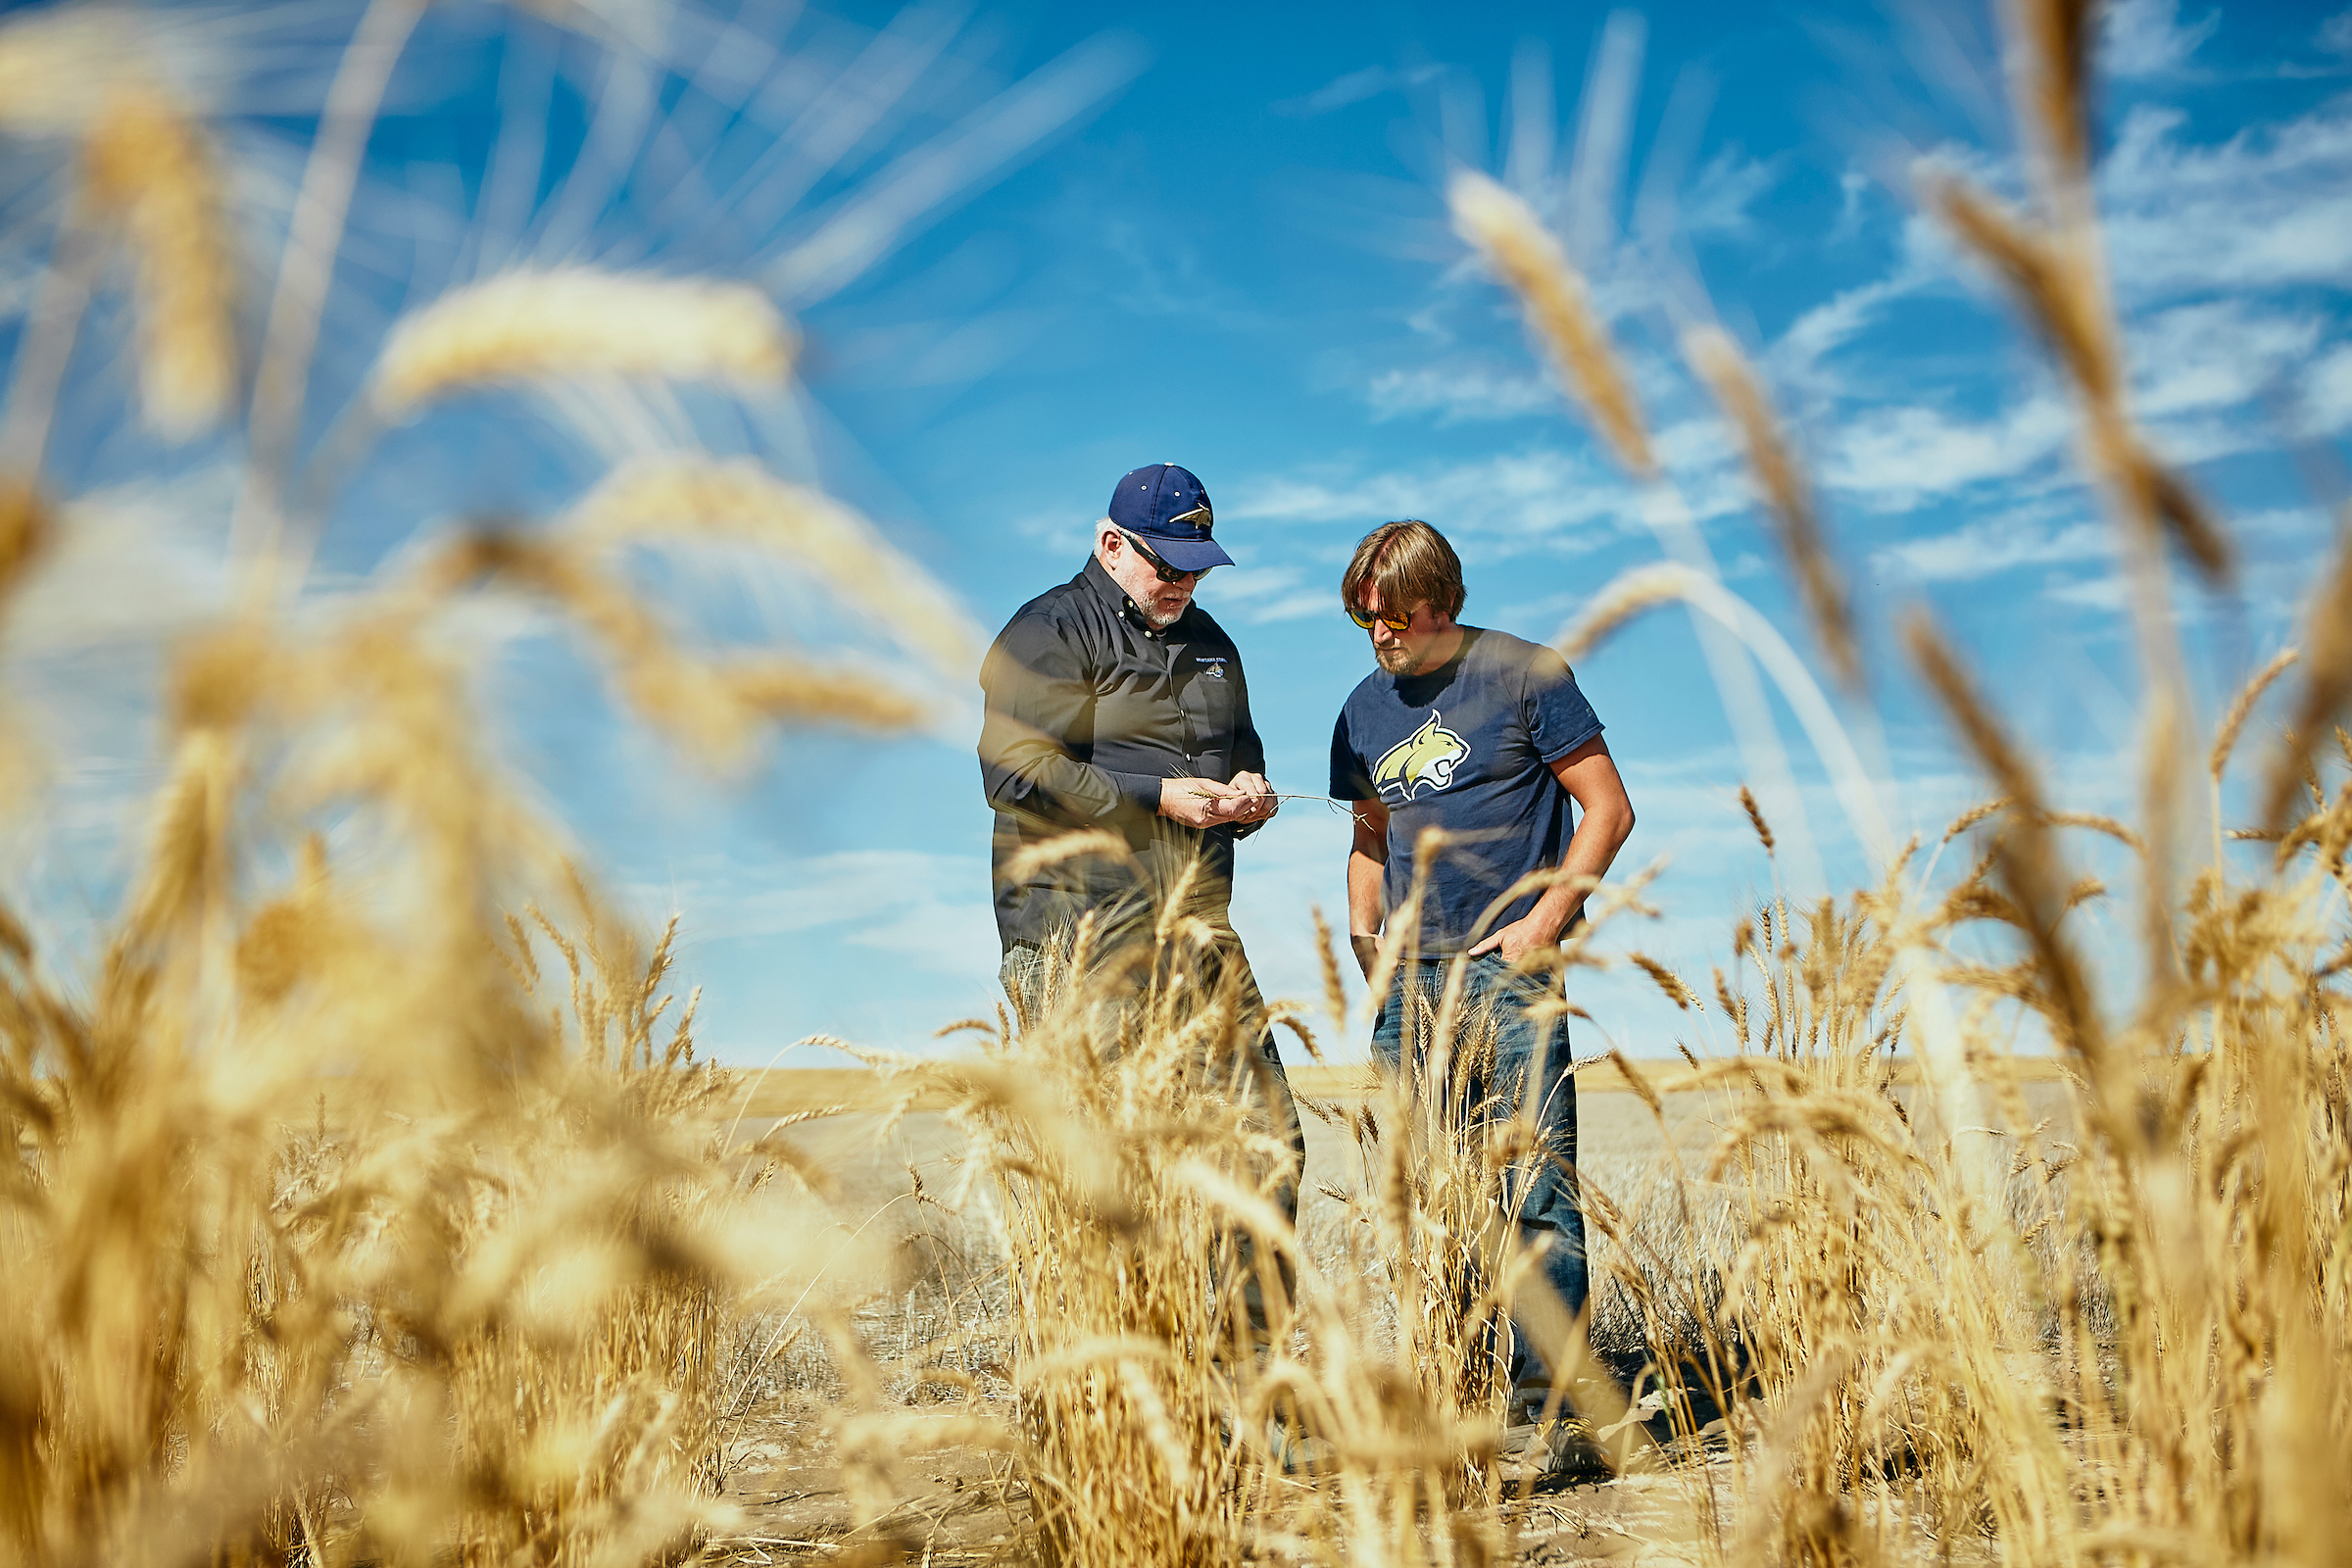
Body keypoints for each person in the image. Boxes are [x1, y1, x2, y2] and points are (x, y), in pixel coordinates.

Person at [1327, 517, 1635, 1473]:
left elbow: (1608, 809)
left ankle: (1544, 1420)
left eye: (1392, 618)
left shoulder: (1525, 673)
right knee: (1427, 1200)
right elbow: (1369, 841)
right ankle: (1452, 1411)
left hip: (1509, 975)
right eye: (1364, 621)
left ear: (1439, 604)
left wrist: (1545, 922)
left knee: (1536, 1195)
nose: (1378, 637)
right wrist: (1368, 950)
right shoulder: (1360, 711)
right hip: (1411, 989)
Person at [976, 461, 1306, 1285]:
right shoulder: (1048, 630)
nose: (1183, 583)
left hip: (1194, 928)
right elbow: (1014, 773)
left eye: (1196, 566)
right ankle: (1111, 1395)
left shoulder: (1214, 645)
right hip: (1078, 934)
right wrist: (1155, 797)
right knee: (1108, 1170)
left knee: (1265, 1138)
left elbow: (1243, 749)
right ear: (1112, 544)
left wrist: (1246, 791)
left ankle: (1248, 1379)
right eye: (1166, 563)